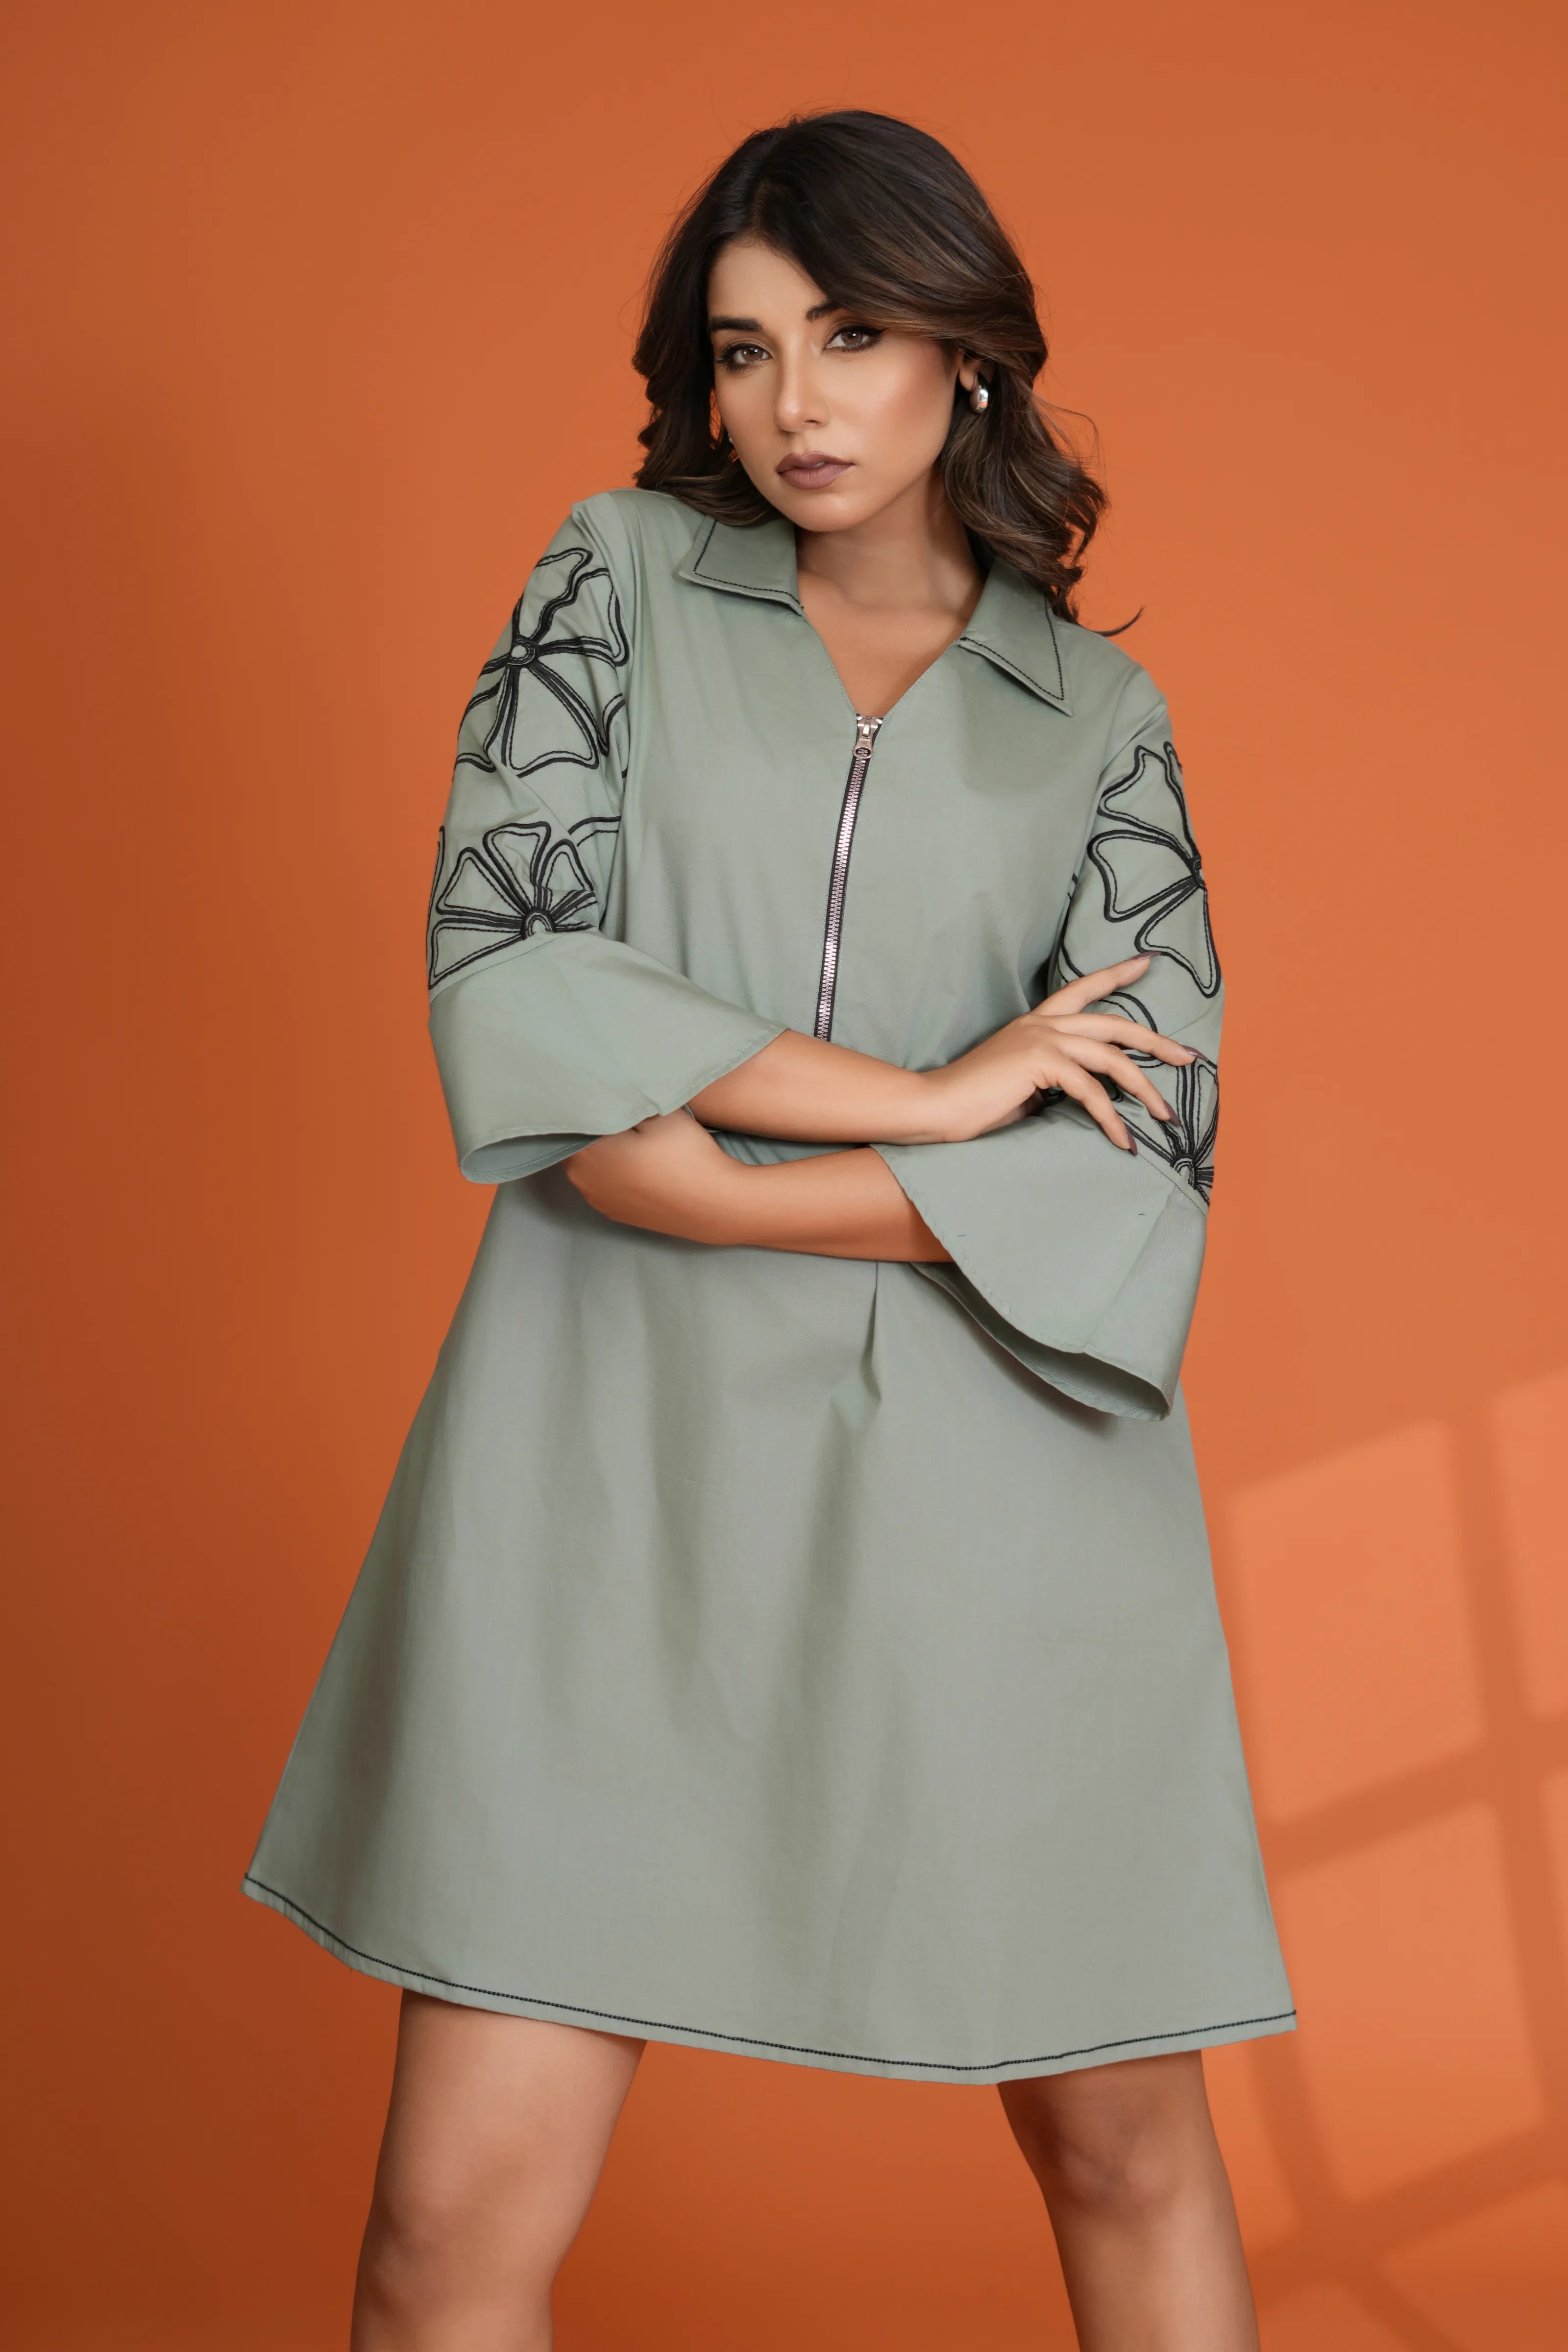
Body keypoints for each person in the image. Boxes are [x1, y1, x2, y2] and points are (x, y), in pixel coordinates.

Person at [244, 107, 1294, 2352]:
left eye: (848, 334)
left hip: (1004, 1499)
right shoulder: (610, 581)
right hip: (595, 1465)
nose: (794, 400)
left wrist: (719, 1184)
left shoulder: (1095, 720)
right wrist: (929, 1100)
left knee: (1124, 2153)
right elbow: (516, 982)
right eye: (741, 351)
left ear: (962, 354)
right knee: (444, 2233)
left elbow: (1137, 1164)